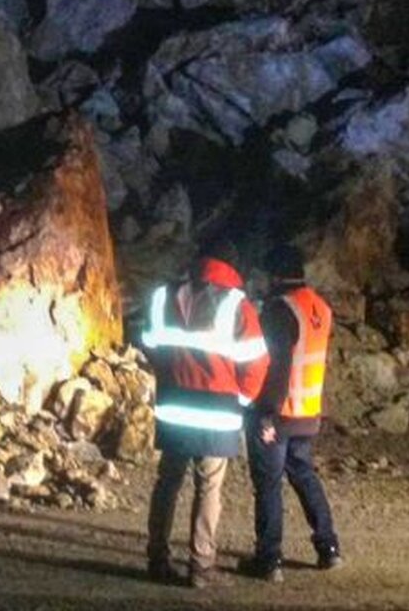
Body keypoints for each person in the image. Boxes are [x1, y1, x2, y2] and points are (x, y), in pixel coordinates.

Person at [141, 247, 269, 588]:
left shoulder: (163, 297)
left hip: (174, 406)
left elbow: (150, 343)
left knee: (167, 483)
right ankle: (201, 566)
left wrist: (170, 377)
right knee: (209, 487)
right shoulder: (236, 305)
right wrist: (241, 398)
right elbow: (257, 362)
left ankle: (157, 559)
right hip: (217, 411)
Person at [241, 245, 343, 583]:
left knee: (269, 484)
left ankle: (269, 559)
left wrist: (266, 414)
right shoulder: (319, 306)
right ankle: (328, 548)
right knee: (303, 475)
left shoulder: (279, 310)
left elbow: (278, 367)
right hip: (307, 412)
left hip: (279, 414)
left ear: (275, 275)